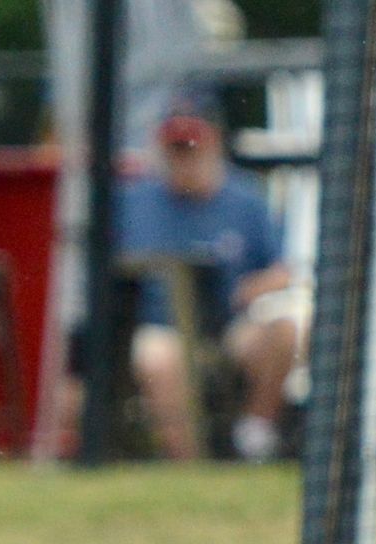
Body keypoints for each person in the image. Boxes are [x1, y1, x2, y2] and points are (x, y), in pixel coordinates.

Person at [117, 108, 302, 464]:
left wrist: (254, 287)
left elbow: (283, 270)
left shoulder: (246, 199)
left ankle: (254, 436)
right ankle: (192, 464)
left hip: (231, 323)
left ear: (212, 147)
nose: (184, 162)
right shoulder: (136, 202)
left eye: (191, 150)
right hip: (163, 324)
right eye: (175, 152)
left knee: (286, 329)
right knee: (156, 357)